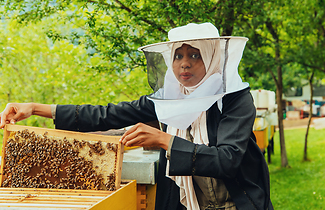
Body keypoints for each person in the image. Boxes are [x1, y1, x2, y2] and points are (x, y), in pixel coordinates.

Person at [0, 22, 273, 210]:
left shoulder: (235, 100)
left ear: (213, 58)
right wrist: (35, 108)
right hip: (187, 203)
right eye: (178, 56)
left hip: (237, 202)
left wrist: (166, 141)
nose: (184, 63)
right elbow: (108, 114)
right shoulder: (169, 99)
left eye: (195, 55)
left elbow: (227, 160)